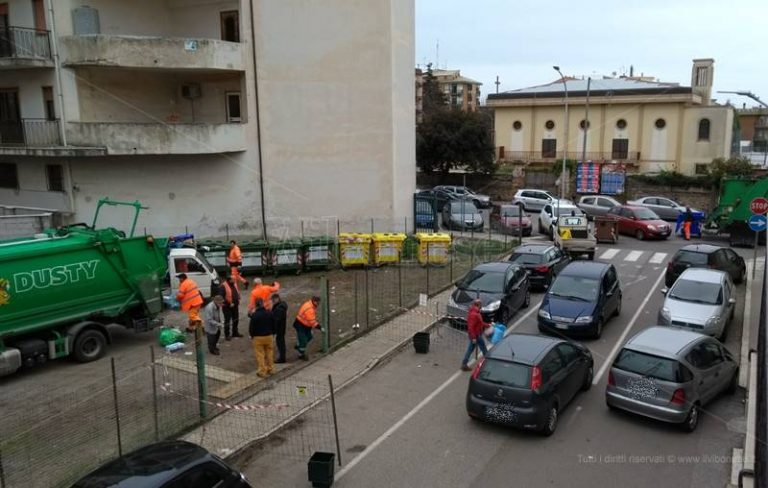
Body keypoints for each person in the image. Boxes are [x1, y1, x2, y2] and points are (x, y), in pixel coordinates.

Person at [461, 299, 490, 371]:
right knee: (483, 348)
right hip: (476, 335)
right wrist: (474, 337)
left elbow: (480, 323)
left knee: (471, 349)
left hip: (476, 334)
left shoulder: (475, 312)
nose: (481, 306)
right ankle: (488, 362)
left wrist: (488, 325)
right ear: (478, 305)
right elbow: (471, 327)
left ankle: (464, 364)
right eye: (481, 305)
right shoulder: (474, 314)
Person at [249, 299, 275, 377]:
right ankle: (271, 369)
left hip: (258, 338)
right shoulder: (269, 313)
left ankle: (262, 371)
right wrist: (273, 333)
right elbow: (274, 324)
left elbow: (251, 327)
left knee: (260, 354)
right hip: (269, 336)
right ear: (263, 304)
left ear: (256, 305)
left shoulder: (255, 315)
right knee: (269, 353)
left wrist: (252, 335)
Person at [294, 296, 320, 361]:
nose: (318, 304)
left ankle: (298, 345)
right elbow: (312, 322)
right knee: (304, 340)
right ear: (314, 301)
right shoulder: (309, 309)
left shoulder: (309, 305)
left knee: (309, 337)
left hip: (304, 324)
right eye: (318, 302)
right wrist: (320, 327)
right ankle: (301, 354)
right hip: (301, 325)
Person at [220, 274, 243, 340]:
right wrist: (228, 304)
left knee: (236, 319)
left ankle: (235, 333)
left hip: (235, 305)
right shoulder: (223, 286)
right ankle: (227, 335)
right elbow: (221, 297)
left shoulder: (234, 284)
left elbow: (236, 292)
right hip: (227, 307)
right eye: (233, 279)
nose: (235, 280)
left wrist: (237, 300)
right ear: (229, 280)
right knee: (227, 320)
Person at [271, 293, 288, 363]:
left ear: (277, 299)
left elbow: (276, 320)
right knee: (281, 342)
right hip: (282, 327)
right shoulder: (281, 306)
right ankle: (282, 356)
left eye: (273, 300)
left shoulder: (279, 308)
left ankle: (282, 358)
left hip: (279, 329)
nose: (272, 302)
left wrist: (273, 330)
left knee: (280, 343)